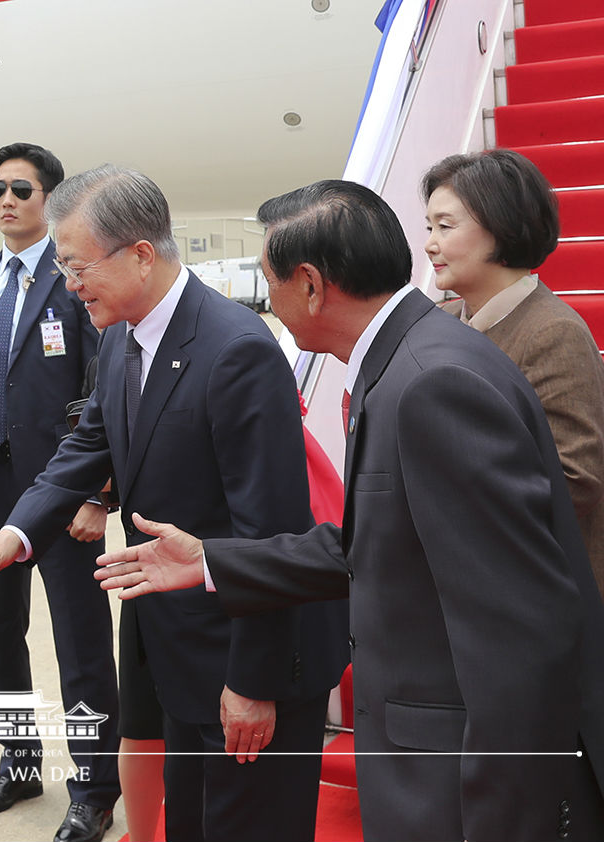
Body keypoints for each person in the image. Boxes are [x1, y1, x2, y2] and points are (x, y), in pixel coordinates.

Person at [94, 179, 604, 842]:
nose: (265, 299)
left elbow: (517, 633)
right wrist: (214, 559)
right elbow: (372, 541)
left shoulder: (431, 383)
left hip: (461, 784)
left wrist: (507, 814)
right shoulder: (404, 361)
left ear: (310, 285)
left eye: (268, 278)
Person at [0, 165, 348, 842]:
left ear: (141, 255)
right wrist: (16, 536)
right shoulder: (121, 336)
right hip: (179, 650)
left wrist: (253, 682)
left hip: (245, 656)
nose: (68, 282)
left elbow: (272, 533)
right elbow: (85, 451)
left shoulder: (235, 350)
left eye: (77, 265)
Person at [0, 143, 121, 842]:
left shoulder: (74, 279)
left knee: (80, 640)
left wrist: (100, 493)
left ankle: (95, 785)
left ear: (49, 199)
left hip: (61, 493)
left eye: (21, 188)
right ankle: (18, 763)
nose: (7, 200)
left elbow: (104, 391)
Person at [423, 148, 604, 598]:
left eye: (445, 227)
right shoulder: (440, 321)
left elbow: (575, 482)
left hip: (537, 589)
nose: (430, 243)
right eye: (429, 227)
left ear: (500, 227)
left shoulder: (553, 332)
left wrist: (443, 498)